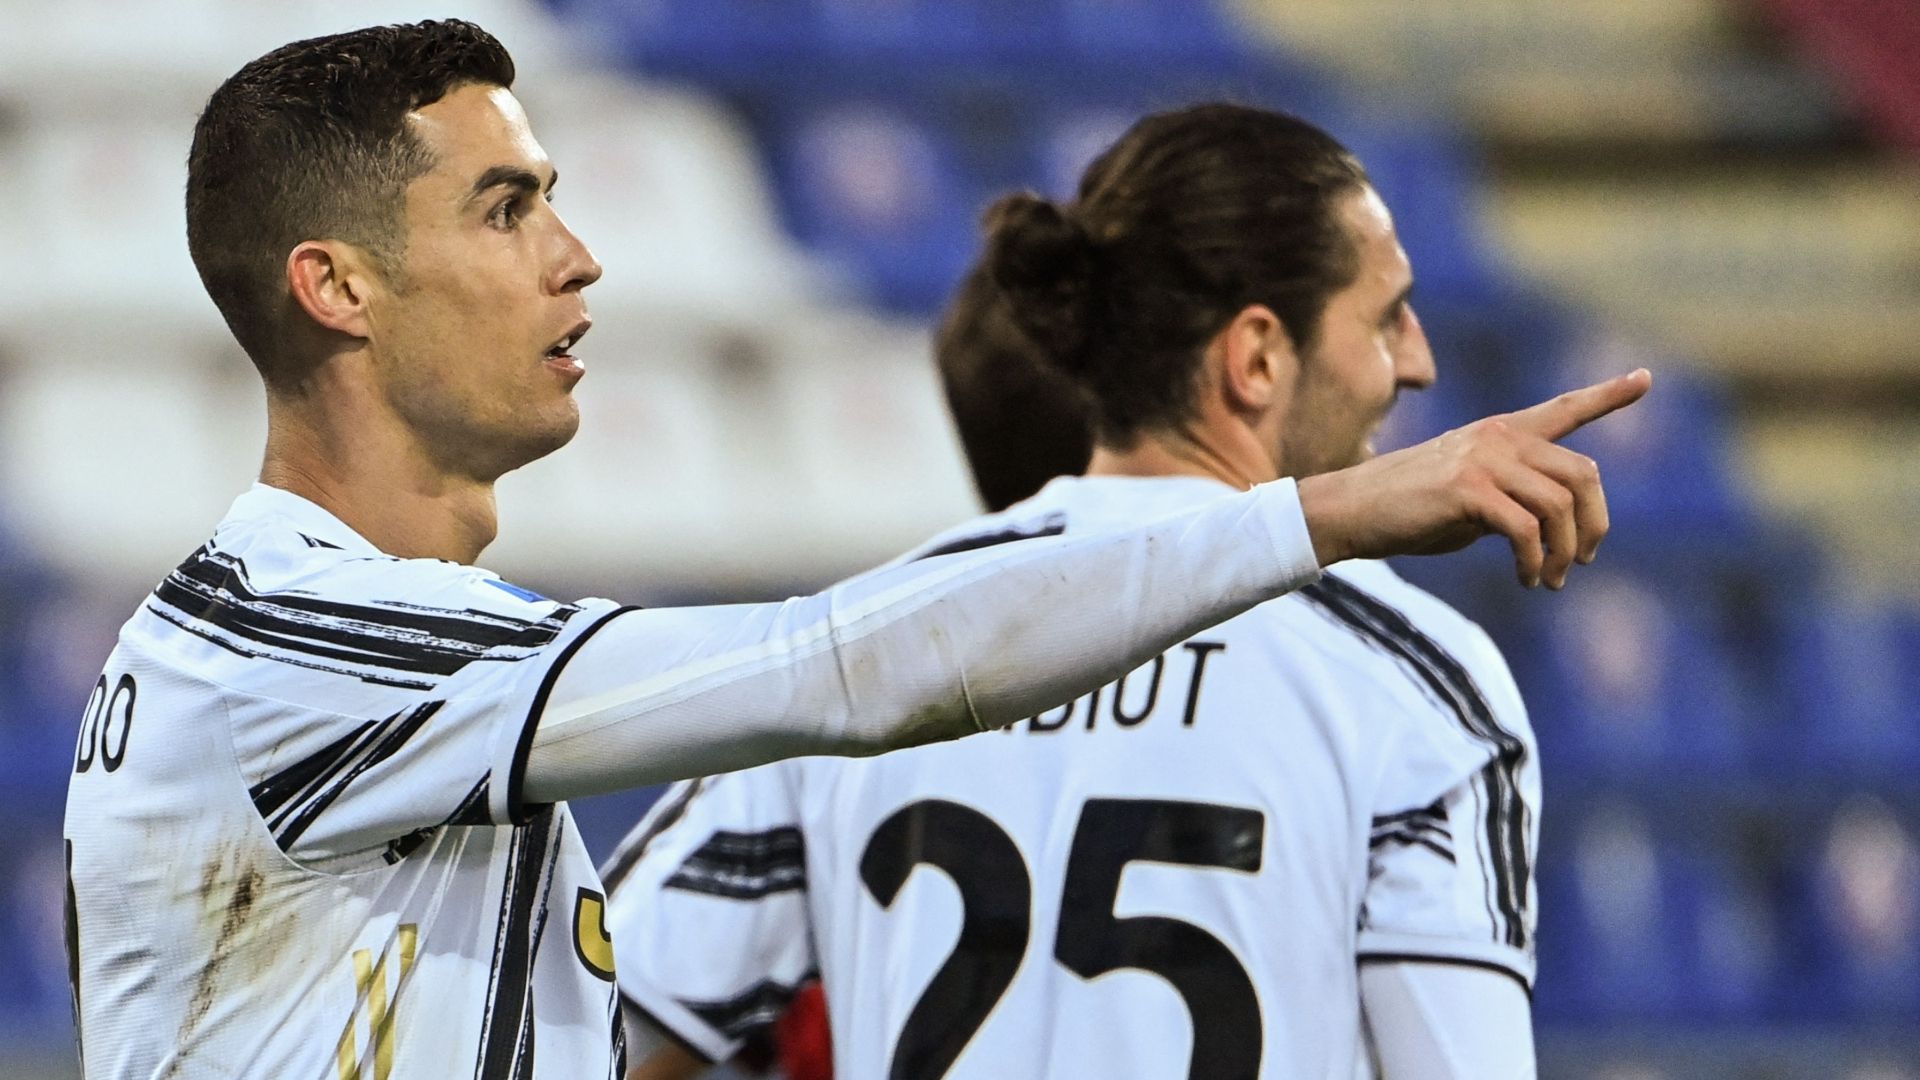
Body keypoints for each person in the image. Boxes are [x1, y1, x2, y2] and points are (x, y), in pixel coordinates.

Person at [59, 21, 1643, 1080]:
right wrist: (1324, 519)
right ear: (337, 288)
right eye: (505, 208)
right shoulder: (309, 654)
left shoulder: (353, 659)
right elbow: (847, 665)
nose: (578, 253)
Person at [604, 105, 1571, 1080]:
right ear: (1258, 356)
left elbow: (572, 1031)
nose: (1420, 360)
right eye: (1385, 315)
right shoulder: (1409, 684)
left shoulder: (859, 652)